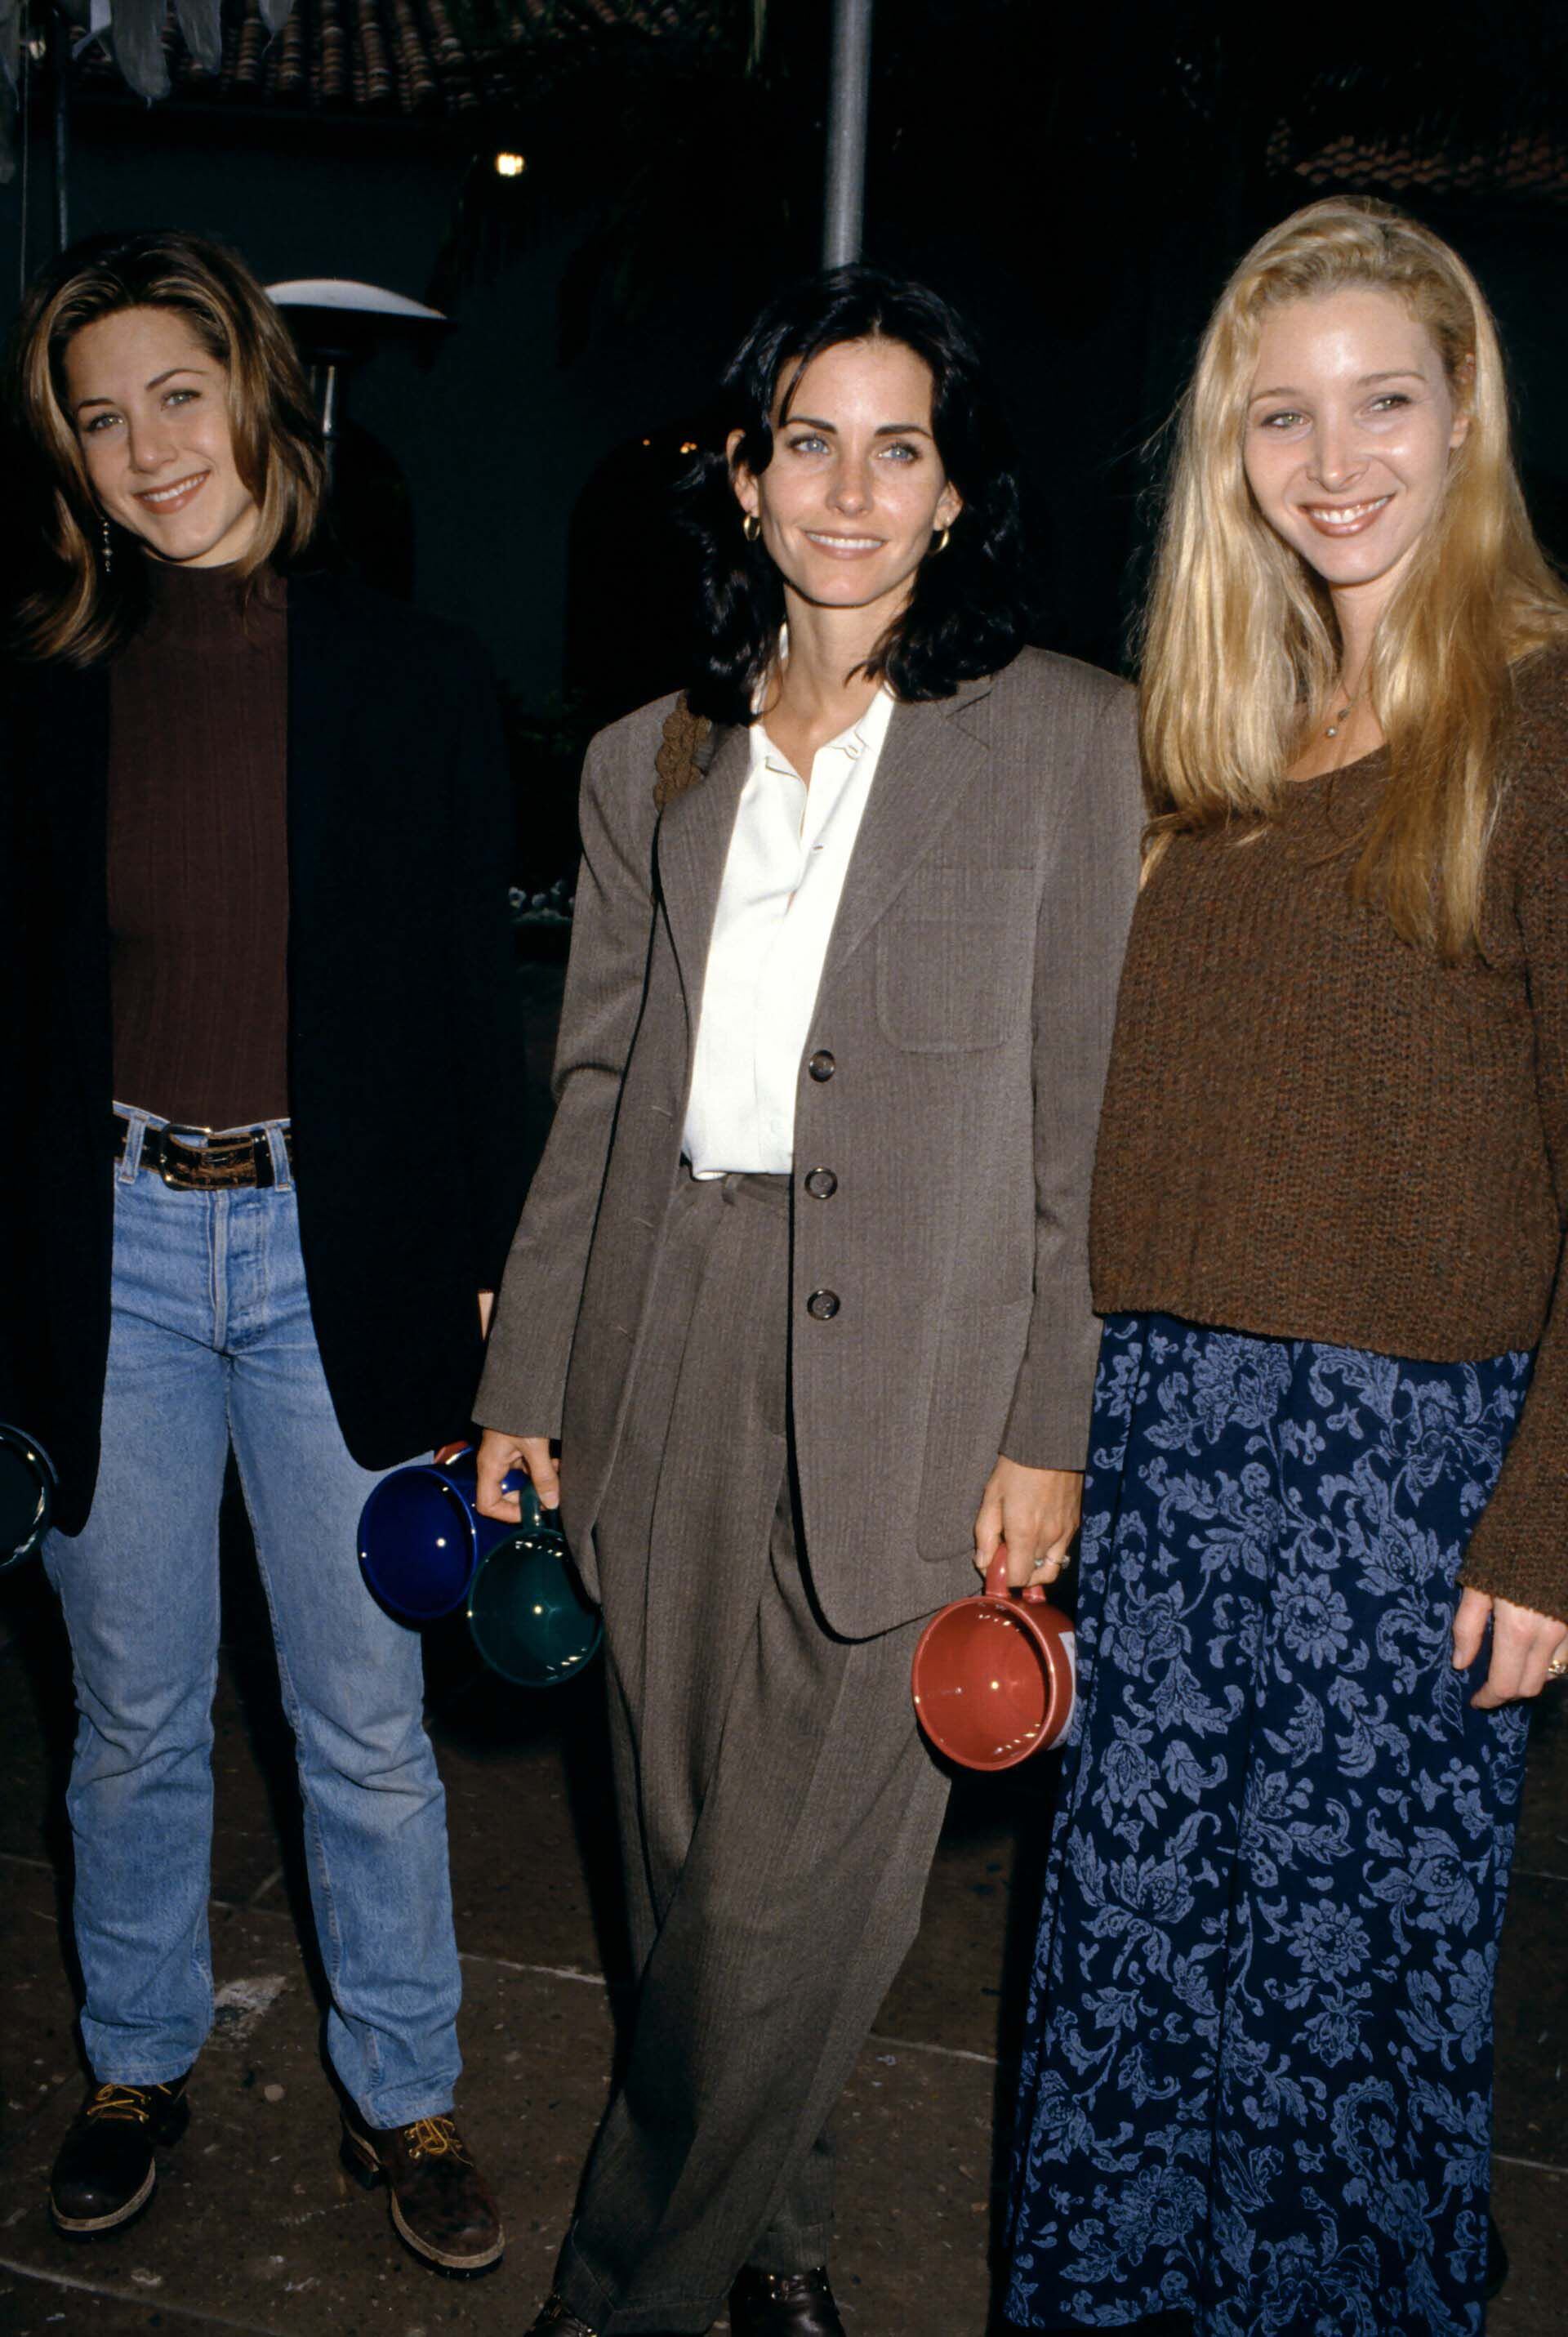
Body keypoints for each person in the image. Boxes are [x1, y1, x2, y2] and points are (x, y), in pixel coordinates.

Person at [472, 265, 1144, 2337]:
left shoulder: (1065, 739)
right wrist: (528, 1377)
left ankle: (622, 2299)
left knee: (784, 1913)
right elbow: (595, 1089)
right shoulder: (643, 761)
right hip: (660, 1338)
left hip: (930, 1383)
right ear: (746, 479)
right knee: (683, 1881)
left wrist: (1055, 1415)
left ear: (955, 495)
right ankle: (783, 2248)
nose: (850, 486)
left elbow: (1087, 1128)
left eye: (902, 444)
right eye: (808, 441)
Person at [1004, 196, 1568, 2337]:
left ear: (1465, 417)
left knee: (1351, 2024)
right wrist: (1050, 1432)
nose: (1334, 459)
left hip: (1404, 1476)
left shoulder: (1540, 721)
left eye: (1384, 402)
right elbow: (1115, 1143)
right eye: (1280, 414)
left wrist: (1549, 1508)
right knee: (1135, 1979)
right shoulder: (1205, 758)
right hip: (1163, 1450)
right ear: (1227, 454)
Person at [0, 230, 528, 2272]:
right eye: (100, 416)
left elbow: (469, 1025)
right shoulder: (45, 695)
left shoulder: (414, 681)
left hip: (339, 1251)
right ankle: (136, 2058)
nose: (148, 448)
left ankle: (405, 2098)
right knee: (129, 1714)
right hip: (111, 1252)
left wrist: (497, 1297)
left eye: (176, 393)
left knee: (365, 1723)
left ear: (256, 393)